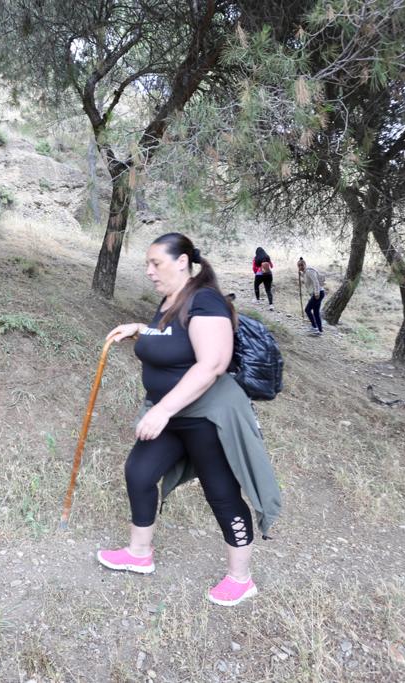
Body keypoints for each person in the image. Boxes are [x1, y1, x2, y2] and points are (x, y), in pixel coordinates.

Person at [99, 232, 282, 607]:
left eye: (156, 263)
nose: (149, 271)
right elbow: (171, 339)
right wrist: (139, 329)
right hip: (173, 412)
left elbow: (212, 363)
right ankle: (139, 553)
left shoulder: (206, 301)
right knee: (139, 473)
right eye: (147, 264)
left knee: (221, 492)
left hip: (206, 415)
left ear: (182, 261)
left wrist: (162, 410)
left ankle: (241, 578)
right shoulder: (171, 301)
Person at [298, 257, 324, 336]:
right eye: (299, 266)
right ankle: (319, 330)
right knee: (316, 312)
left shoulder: (309, 271)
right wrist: (301, 275)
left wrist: (316, 293)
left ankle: (314, 327)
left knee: (307, 309)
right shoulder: (306, 272)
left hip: (318, 293)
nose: (300, 267)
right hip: (319, 293)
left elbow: (315, 281)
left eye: (302, 265)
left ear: (305, 264)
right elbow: (307, 279)